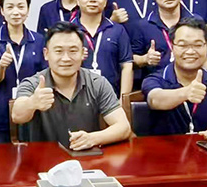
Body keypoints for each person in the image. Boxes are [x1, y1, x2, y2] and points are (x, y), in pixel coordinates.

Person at [11, 22, 131, 150]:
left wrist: (92, 138)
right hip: (43, 158)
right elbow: (17, 116)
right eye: (58, 51)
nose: (66, 58)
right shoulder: (33, 84)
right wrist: (32, 103)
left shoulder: (97, 83)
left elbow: (123, 127)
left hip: (86, 157)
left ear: (83, 53)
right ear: (46, 54)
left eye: (73, 51)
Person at [0, 0, 46, 144]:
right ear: (2, 11)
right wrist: (1, 65)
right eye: (10, 7)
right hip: (0, 112)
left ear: (28, 10)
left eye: (21, 6)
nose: (16, 12)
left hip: (31, 111)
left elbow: (44, 75)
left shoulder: (39, 40)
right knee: (2, 156)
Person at [131, 0, 207, 77]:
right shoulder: (143, 25)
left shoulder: (196, 21)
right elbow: (131, 59)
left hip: (192, 80)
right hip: (157, 83)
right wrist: (145, 59)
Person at [76, 0, 133, 97]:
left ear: (105, 1)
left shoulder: (117, 30)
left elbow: (127, 66)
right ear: (78, 0)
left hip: (110, 98)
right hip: (75, 98)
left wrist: (123, 100)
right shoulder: (67, 30)